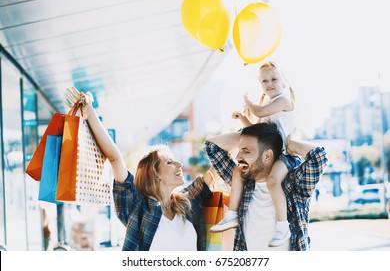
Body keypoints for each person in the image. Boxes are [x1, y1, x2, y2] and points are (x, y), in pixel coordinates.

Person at [65, 87, 214, 251]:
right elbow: (115, 158)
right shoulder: (138, 207)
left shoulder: (187, 202)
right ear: (156, 174)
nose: (179, 164)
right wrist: (91, 114)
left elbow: (220, 164)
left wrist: (246, 130)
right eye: (170, 162)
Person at [210, 61, 300, 247]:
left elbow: (258, 111)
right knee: (237, 173)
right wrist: (243, 118)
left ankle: (283, 226)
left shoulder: (284, 100)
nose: (269, 84)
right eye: (264, 81)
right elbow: (256, 134)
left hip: (286, 155)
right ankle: (232, 214)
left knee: (273, 181)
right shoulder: (267, 104)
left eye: (274, 79)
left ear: (284, 81)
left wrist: (247, 101)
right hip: (272, 153)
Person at [205, 122, 327, 250]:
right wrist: (250, 133)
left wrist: (288, 143)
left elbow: (318, 157)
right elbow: (212, 147)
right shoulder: (242, 184)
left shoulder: (294, 184)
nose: (238, 156)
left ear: (267, 155)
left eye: (246, 151)